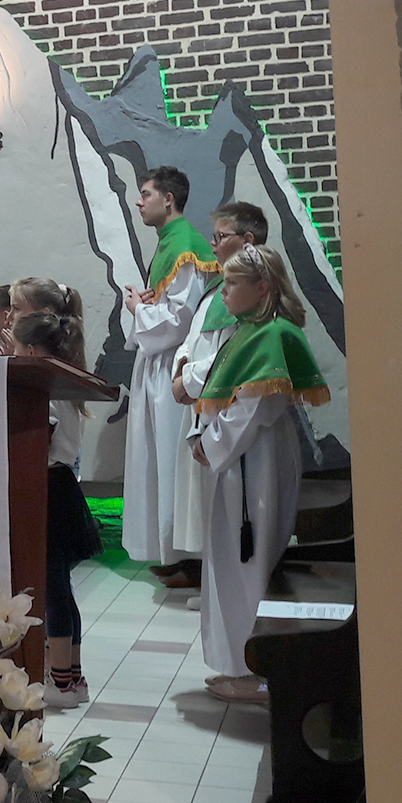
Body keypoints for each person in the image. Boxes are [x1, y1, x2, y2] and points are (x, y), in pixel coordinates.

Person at [190, 245, 327, 704]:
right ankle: (238, 664)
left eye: (232, 284)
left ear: (262, 287)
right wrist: (203, 435)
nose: (223, 292)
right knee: (232, 561)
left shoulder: (272, 334)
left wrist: (210, 443)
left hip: (255, 463)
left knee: (247, 564)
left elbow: (255, 408)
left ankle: (257, 673)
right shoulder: (249, 330)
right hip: (242, 458)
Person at [164, 201, 269, 589]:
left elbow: (231, 356)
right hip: (203, 412)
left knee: (236, 517)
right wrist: (180, 371)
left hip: (231, 421)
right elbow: (191, 343)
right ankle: (216, 592)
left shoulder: (255, 294)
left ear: (248, 240)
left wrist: (187, 382)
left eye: (220, 237)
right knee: (212, 516)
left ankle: (236, 598)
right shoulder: (217, 291)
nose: (212, 245)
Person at [119, 166, 219, 572]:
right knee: (157, 460)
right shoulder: (169, 242)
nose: (138, 201)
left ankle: (186, 557)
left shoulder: (184, 246)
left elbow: (180, 319)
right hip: (158, 363)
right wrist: (146, 304)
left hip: (173, 367)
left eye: (145, 194)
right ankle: (170, 552)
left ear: (169, 199)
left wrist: (138, 310)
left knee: (171, 462)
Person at [10, 309, 102, 709]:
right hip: (60, 486)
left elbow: (35, 442)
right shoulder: (64, 383)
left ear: (31, 352)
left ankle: (61, 682)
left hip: (46, 488)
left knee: (53, 592)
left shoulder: (45, 392)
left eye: (16, 350)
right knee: (60, 589)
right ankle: (73, 676)